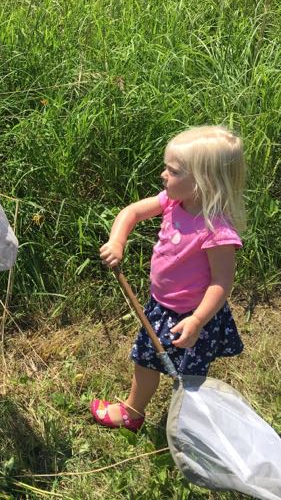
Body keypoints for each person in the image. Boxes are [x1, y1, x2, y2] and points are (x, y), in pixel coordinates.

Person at [92, 125, 246, 432]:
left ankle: (190, 425)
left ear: (203, 183)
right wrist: (117, 241)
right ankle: (133, 412)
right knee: (145, 360)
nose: (163, 175)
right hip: (160, 307)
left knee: (189, 375)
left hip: (193, 316)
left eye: (173, 171)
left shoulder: (216, 231)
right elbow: (131, 213)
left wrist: (198, 320)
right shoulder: (173, 201)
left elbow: (221, 283)